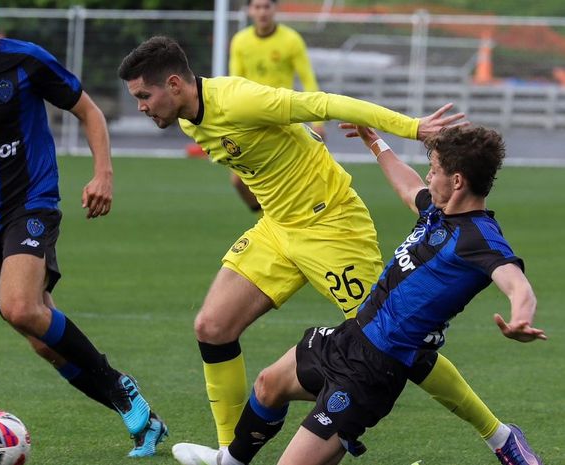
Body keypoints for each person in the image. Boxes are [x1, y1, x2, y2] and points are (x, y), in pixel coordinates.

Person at [118, 36, 514, 461]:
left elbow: (325, 103)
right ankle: (228, 454)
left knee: (397, 342)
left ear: (174, 84)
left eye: (145, 95)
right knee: (212, 327)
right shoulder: (189, 120)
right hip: (278, 228)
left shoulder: (239, 100)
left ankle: (499, 436)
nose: (141, 105)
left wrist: (410, 127)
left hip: (331, 226)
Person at [168, 124, 547, 465]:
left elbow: (516, 282)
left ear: (458, 181)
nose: (429, 178)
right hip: (347, 339)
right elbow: (407, 186)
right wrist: (376, 143)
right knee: (269, 385)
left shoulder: (478, 237)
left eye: (435, 171)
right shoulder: (439, 210)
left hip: (371, 373)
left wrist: (521, 318)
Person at [0, 0, 167, 457]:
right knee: (44, 343)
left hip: (29, 203)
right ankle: (145, 422)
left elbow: (89, 111)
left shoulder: (25, 59)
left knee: (22, 308)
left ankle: (121, 388)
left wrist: (104, 173)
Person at [228, 0, 325, 213]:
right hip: (252, 120)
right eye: (257, 7)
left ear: (275, 9)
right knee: (238, 181)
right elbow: (234, 83)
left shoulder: (291, 40)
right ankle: (266, 218)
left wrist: (317, 122)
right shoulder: (240, 41)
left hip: (282, 119)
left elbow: (308, 79)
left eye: (266, 6)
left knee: (289, 182)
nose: (262, 12)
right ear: (250, 10)